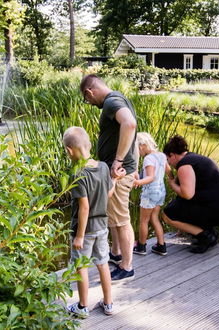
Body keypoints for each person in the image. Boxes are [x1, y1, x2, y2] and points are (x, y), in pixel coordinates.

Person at [63, 126, 125, 318]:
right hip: (101, 227)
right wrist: (114, 180)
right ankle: (108, 304)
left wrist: (79, 236)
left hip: (86, 230)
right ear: (89, 145)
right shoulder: (104, 167)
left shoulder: (78, 174)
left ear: (69, 151)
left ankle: (82, 307)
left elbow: (84, 208)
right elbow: (107, 195)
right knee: (103, 264)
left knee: (81, 266)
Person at [80, 74, 137, 281]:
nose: (89, 103)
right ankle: (117, 254)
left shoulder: (111, 102)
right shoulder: (117, 98)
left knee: (121, 220)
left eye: (87, 99)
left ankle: (127, 266)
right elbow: (133, 132)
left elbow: (130, 125)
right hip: (120, 171)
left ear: (89, 92)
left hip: (119, 172)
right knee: (115, 215)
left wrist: (119, 161)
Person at [162, 135, 219, 254]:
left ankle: (205, 236)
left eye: (168, 159)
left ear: (172, 155)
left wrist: (172, 184)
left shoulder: (184, 166)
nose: (169, 162)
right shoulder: (193, 158)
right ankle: (209, 231)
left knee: (167, 215)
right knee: (175, 207)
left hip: (217, 209)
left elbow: (187, 195)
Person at [132, 132, 169, 256]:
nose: (137, 153)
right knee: (154, 218)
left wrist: (136, 182)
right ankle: (161, 246)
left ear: (142, 145)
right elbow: (169, 172)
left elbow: (150, 177)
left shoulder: (148, 158)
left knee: (143, 221)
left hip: (150, 193)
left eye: (137, 149)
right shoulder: (162, 156)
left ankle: (141, 246)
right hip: (161, 191)